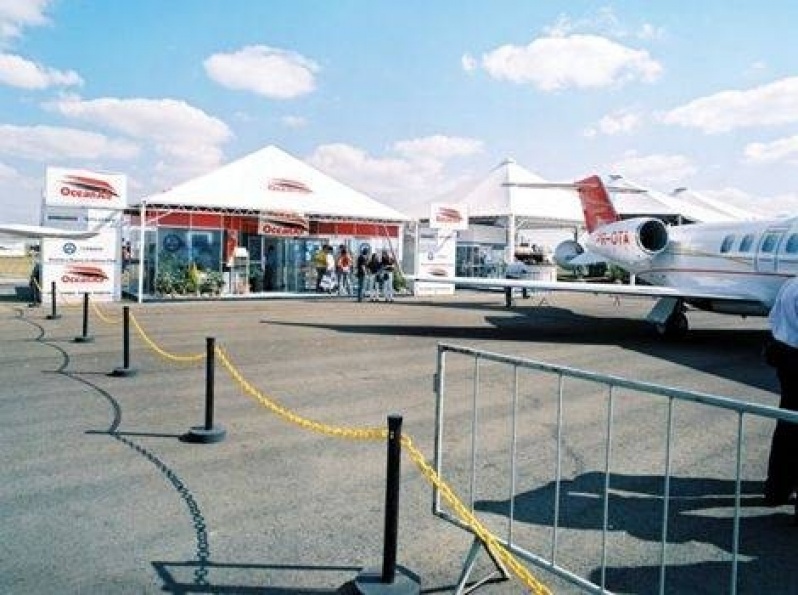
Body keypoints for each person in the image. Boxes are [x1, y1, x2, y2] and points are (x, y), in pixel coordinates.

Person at [764, 276, 798, 505]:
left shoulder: (790, 284)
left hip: (785, 358)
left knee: (787, 426)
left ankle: (777, 488)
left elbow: (774, 319)